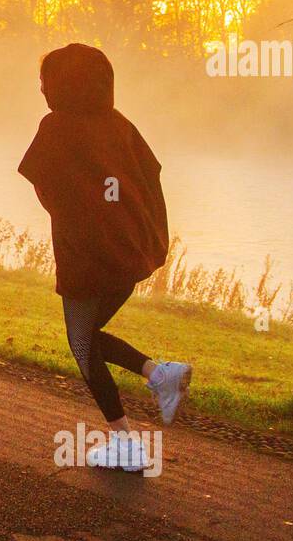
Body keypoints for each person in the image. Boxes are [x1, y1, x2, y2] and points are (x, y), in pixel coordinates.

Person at [18, 44, 191, 471]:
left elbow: (47, 186)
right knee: (90, 336)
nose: (41, 89)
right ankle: (158, 374)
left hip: (88, 257)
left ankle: (128, 443)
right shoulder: (120, 125)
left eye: (45, 80)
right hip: (129, 254)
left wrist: (78, 214)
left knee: (81, 344)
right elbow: (150, 178)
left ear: (62, 83)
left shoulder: (56, 127)